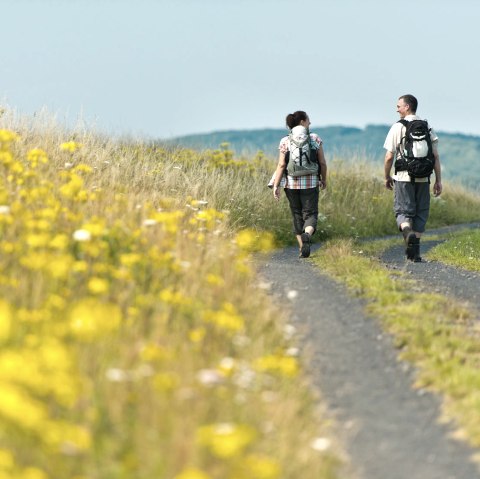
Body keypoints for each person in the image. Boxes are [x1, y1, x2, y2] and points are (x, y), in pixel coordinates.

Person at [383, 94, 442, 262]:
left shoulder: (398, 127)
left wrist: (387, 176)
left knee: (403, 212)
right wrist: (438, 180)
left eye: (399, 106)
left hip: (402, 177)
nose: (397, 109)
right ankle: (415, 254)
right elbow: (436, 156)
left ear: (407, 106)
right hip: (424, 178)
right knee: (420, 213)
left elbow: (389, 157)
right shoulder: (427, 126)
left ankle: (407, 232)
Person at [271, 111, 327, 258]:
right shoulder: (314, 138)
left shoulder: (285, 141)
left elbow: (281, 165)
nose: (310, 123)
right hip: (311, 182)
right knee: (310, 213)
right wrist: (324, 179)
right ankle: (307, 234)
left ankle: (303, 248)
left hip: (291, 184)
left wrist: (276, 185)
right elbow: (322, 162)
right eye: (308, 120)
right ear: (302, 122)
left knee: (296, 213)